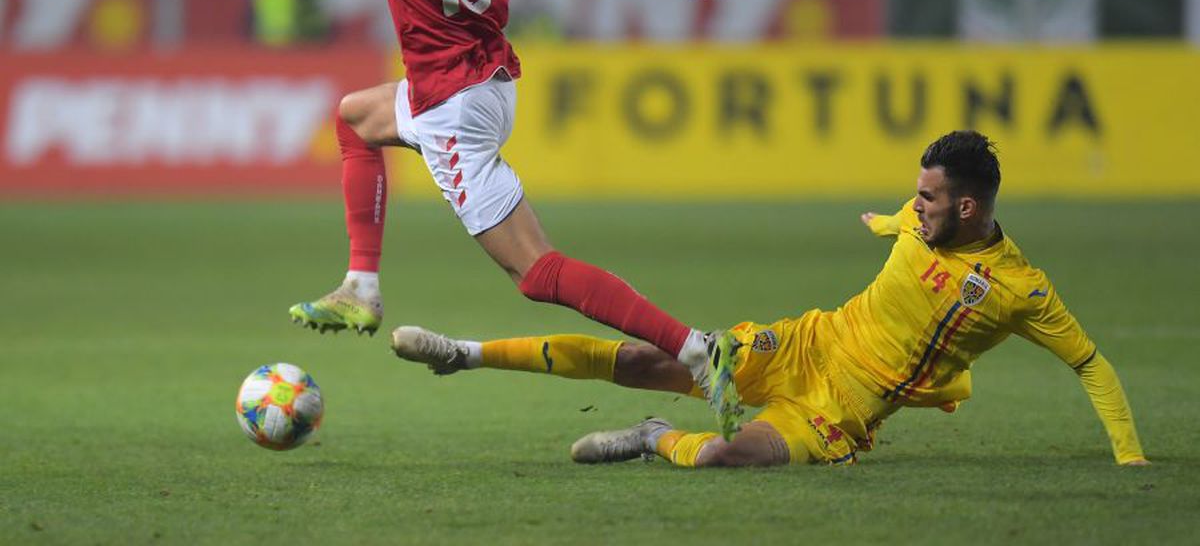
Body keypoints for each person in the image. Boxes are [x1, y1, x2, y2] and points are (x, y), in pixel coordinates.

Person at [230, 0, 739, 435]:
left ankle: (697, 348)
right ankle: (360, 285)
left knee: (537, 271)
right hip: (490, 84)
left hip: (450, 110)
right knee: (357, 117)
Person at [392, 131, 1149, 468]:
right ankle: (464, 355)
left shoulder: (1020, 290)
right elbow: (900, 226)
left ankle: (653, 437)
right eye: (913, 195)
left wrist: (1130, 458)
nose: (912, 207)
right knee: (646, 359)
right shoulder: (918, 221)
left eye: (927, 199)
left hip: (842, 411)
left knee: (723, 453)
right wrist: (885, 221)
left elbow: (1092, 366)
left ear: (970, 210)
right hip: (805, 343)